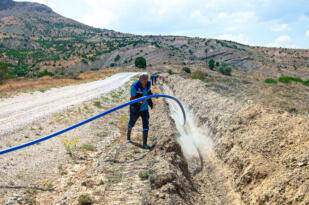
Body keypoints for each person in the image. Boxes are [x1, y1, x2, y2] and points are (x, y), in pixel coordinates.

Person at [126, 73, 153, 149]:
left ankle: (144, 144)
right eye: (144, 79)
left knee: (146, 124)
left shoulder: (148, 84)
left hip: (144, 109)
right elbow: (132, 99)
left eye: (146, 79)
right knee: (132, 122)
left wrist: (154, 96)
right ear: (140, 79)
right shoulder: (134, 86)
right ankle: (128, 137)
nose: (145, 80)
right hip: (136, 109)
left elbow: (149, 92)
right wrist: (140, 101)